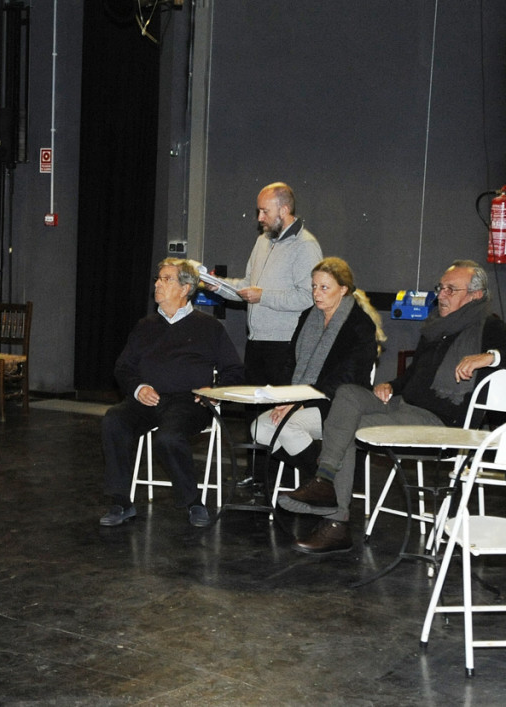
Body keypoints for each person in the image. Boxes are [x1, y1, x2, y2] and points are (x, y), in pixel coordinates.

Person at [278, 260, 506, 554]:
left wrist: (489, 358)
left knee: (345, 427)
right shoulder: (437, 327)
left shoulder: (489, 326)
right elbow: (414, 375)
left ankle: (336, 522)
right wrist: (392, 385)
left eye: (451, 289)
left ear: (475, 295)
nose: (442, 294)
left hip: (440, 422)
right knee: (347, 395)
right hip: (403, 404)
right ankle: (324, 482)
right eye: (441, 287)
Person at [100, 258, 244, 528]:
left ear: (185, 288)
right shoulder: (145, 326)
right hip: (148, 400)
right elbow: (123, 367)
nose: (157, 283)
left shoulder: (209, 327)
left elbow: (234, 369)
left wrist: (214, 392)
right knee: (113, 420)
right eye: (158, 278)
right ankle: (121, 500)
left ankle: (193, 502)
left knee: (168, 437)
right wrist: (139, 388)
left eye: (166, 279)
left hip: (189, 402)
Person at [251, 257, 386, 475]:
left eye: (324, 287)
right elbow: (290, 363)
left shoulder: (359, 325)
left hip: (339, 404)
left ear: (343, 289)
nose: (316, 293)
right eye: (314, 286)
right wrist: (286, 398)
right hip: (301, 398)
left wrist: (302, 402)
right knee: (259, 429)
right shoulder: (308, 317)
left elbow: (348, 376)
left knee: (287, 427)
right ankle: (319, 475)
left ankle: (322, 481)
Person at [212, 182, 323, 384]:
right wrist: (218, 286)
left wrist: (263, 296)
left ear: (284, 210)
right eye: (259, 211)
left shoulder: (305, 245)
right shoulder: (262, 241)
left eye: (265, 211)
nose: (260, 218)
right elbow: (248, 284)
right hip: (255, 342)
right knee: (253, 414)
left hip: (285, 345)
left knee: (278, 413)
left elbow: (309, 297)